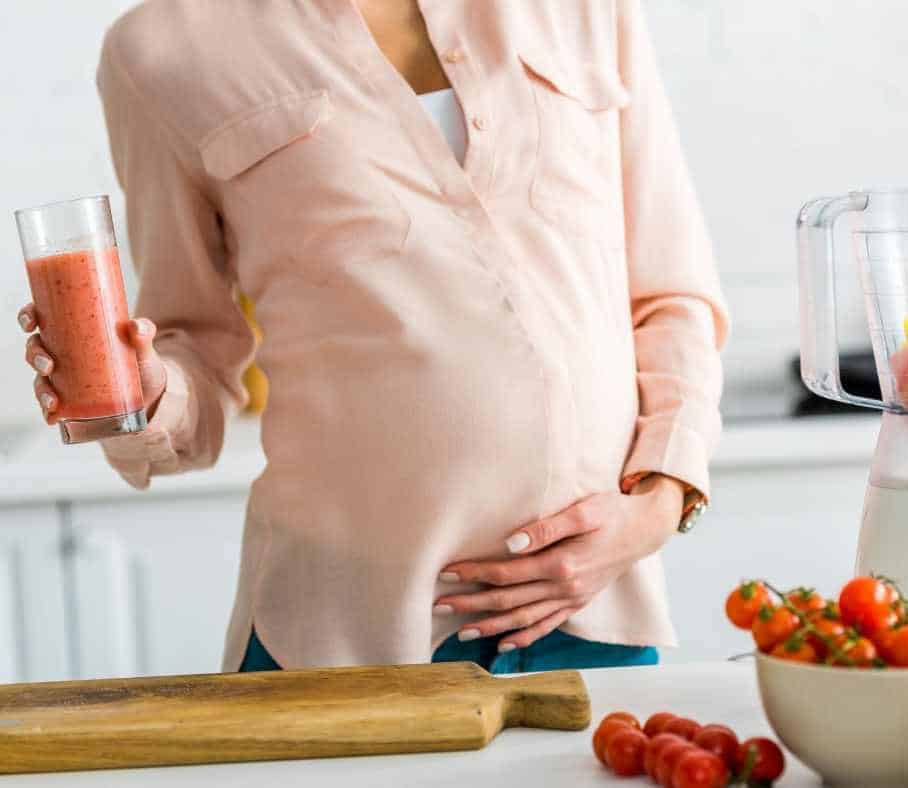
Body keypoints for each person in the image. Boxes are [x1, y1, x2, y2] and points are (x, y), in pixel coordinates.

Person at [18, 0, 728, 674]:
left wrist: (658, 508)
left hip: (595, 612)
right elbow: (191, 348)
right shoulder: (162, 49)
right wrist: (144, 389)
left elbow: (673, 294)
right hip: (346, 638)